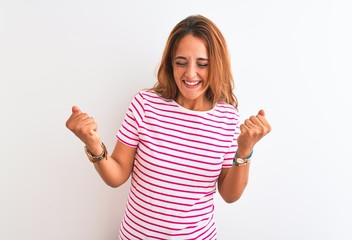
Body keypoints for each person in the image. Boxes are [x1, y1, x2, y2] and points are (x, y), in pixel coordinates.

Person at [66, 15, 271, 240]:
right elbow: (117, 176)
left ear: (217, 65)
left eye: (202, 64)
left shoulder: (227, 119)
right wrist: (94, 145)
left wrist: (245, 150)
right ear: (170, 63)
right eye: (181, 62)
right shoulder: (144, 104)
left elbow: (230, 195)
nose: (190, 74)